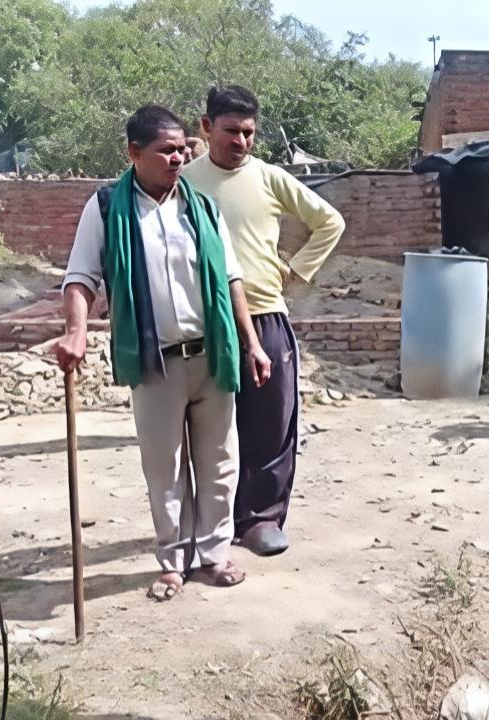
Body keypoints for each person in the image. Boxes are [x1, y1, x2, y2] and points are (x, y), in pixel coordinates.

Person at [54, 105, 272, 602]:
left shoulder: (201, 207)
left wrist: (252, 344)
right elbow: (81, 277)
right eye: (166, 150)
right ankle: (173, 562)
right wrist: (76, 332)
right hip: (155, 363)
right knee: (165, 469)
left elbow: (231, 278)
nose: (178, 158)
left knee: (220, 462)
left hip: (212, 355)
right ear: (134, 152)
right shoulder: (107, 208)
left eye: (183, 149)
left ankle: (214, 556)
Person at [182, 85, 345, 557]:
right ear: (206, 127)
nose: (241, 141)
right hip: (204, 324)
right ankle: (213, 522)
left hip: (266, 315)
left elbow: (330, 221)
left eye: (249, 133)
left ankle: (261, 520)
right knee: (211, 431)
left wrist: (296, 271)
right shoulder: (184, 181)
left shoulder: (270, 178)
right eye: (231, 131)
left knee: (272, 423)